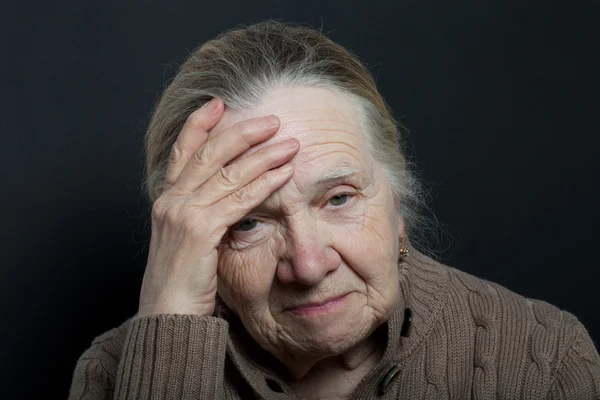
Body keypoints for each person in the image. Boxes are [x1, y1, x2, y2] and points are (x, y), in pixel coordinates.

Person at [68, 20, 600, 399]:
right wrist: (170, 314)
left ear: (398, 206)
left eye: (339, 198)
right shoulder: (110, 373)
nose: (308, 264)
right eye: (247, 223)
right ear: (188, 244)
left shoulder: (546, 355)